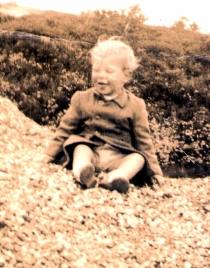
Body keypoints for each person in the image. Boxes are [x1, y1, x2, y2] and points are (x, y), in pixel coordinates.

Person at [41, 37, 164, 192]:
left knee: (138, 158)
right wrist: (50, 154)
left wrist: (155, 173)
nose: (100, 76)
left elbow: (144, 141)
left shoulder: (135, 105)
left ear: (126, 76)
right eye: (96, 70)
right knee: (80, 147)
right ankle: (82, 172)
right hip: (91, 150)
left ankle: (118, 177)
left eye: (109, 71)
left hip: (118, 157)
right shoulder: (82, 98)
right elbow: (65, 129)